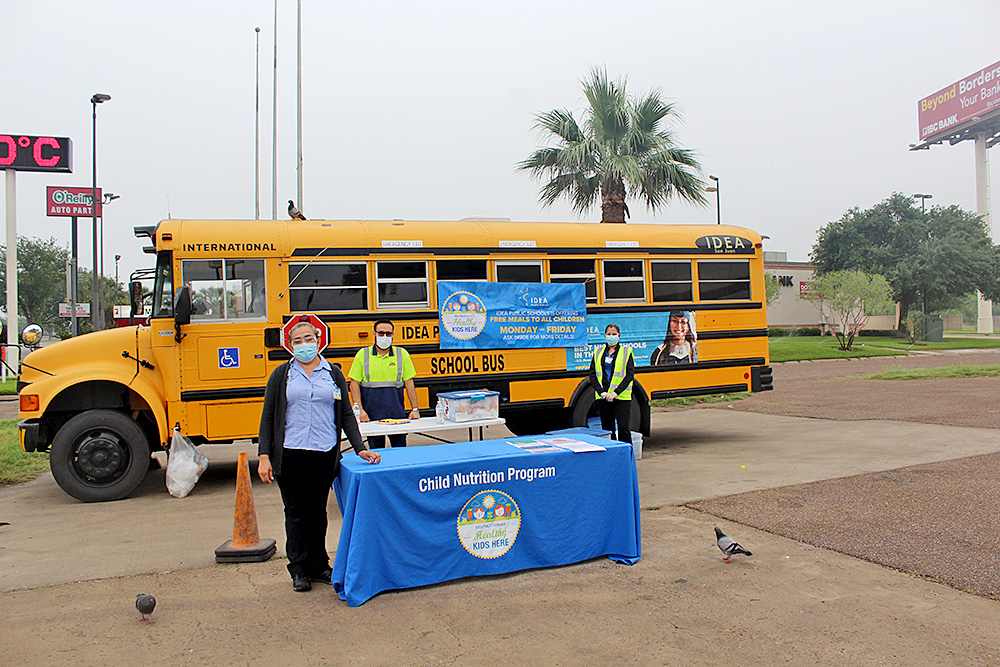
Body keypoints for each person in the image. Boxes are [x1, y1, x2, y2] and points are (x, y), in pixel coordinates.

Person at [258, 318, 380, 593]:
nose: (304, 345)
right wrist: (264, 455)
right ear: (290, 346)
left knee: (317, 512)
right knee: (296, 513)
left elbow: (346, 414)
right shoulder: (281, 375)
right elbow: (268, 418)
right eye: (297, 341)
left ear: (318, 339)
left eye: (308, 339)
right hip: (289, 455)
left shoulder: (333, 373)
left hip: (324, 454)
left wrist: (360, 447)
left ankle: (319, 565)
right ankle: (298, 569)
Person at [348, 319, 420, 448]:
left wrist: (415, 409)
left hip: (397, 416)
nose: (384, 337)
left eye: (388, 333)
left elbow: (409, 383)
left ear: (393, 335)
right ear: (374, 334)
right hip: (371, 416)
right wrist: (360, 411)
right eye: (380, 333)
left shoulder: (402, 354)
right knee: (376, 452)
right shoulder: (363, 354)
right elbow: (354, 384)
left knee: (400, 453)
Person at [588, 323, 635, 443]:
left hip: (621, 397)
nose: (611, 336)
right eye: (609, 334)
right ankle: (612, 455)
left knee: (623, 428)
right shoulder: (598, 352)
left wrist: (616, 392)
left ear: (619, 335)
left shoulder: (626, 352)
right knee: (608, 429)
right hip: (603, 397)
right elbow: (593, 374)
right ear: (604, 336)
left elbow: (629, 375)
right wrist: (601, 392)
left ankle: (625, 455)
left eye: (614, 334)